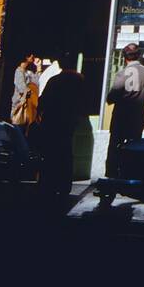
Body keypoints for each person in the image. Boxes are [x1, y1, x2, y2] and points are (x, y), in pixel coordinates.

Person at [33, 53, 87, 209]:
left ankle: (47, 184)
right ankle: (63, 186)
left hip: (53, 121)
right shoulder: (79, 80)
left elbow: (42, 101)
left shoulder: (55, 80)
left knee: (50, 154)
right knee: (65, 153)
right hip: (68, 122)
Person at [105, 43, 144, 175]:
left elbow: (113, 95)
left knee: (115, 146)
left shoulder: (122, 73)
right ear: (138, 56)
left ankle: (111, 174)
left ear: (125, 57)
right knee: (135, 146)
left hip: (121, 117)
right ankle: (131, 172)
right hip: (138, 116)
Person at [10, 53, 40, 130]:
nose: (33, 56)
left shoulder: (29, 72)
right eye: (31, 55)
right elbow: (21, 88)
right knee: (18, 129)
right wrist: (30, 89)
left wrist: (38, 68)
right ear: (26, 57)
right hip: (20, 105)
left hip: (30, 108)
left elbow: (37, 84)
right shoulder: (19, 71)